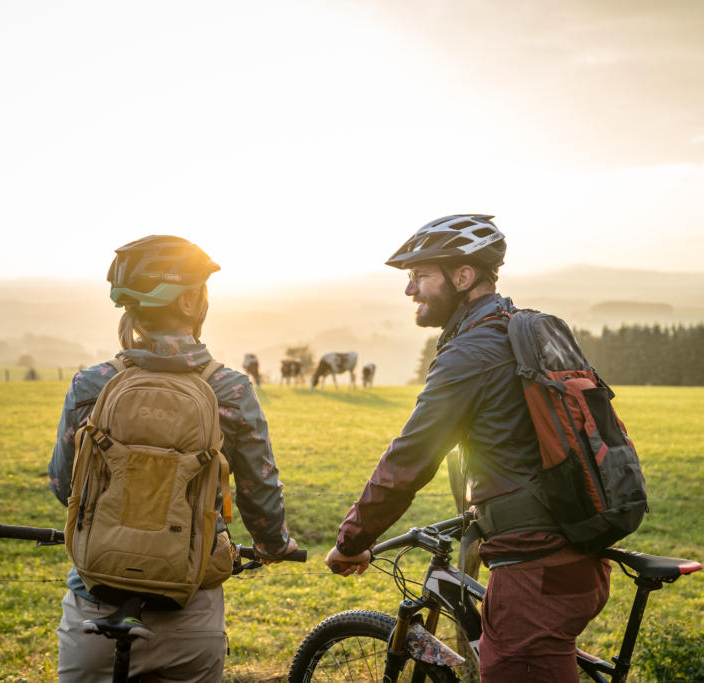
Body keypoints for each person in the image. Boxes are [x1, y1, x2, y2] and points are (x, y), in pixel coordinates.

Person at [324, 215, 611, 681]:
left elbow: (411, 457)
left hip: (535, 568)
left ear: (463, 277)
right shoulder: (518, 333)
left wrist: (353, 540)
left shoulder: (472, 352)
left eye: (420, 276)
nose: (409, 290)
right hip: (571, 554)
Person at [48, 235, 297, 682]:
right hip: (190, 614)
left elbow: (64, 484)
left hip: (94, 608)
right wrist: (273, 545)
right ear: (188, 302)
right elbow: (259, 493)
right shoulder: (232, 390)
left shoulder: (91, 385)